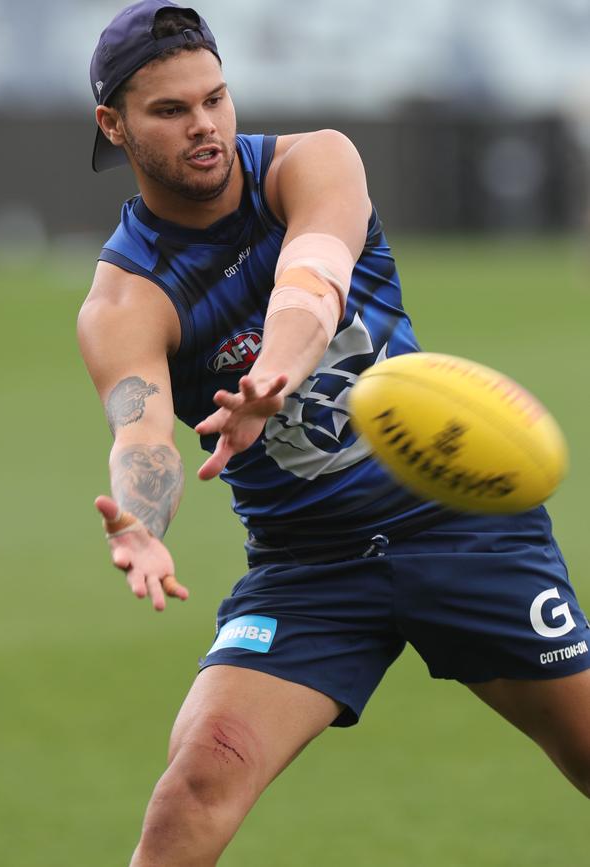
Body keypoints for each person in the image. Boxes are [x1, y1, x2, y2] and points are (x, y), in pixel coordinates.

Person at [78, 2, 590, 864]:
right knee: (193, 786)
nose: (203, 125)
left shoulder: (314, 161)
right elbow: (142, 435)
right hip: (308, 568)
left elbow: (311, 282)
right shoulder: (125, 300)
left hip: (463, 528)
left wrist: (270, 378)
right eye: (171, 111)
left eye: (215, 98)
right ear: (114, 125)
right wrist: (142, 521)